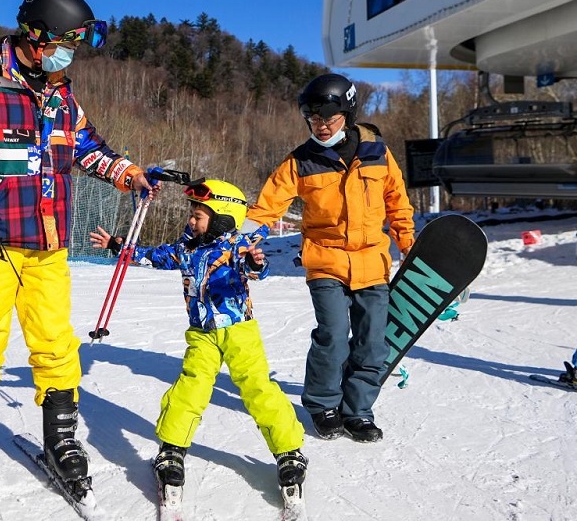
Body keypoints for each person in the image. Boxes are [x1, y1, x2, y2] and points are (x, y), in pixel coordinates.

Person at [0, 0, 154, 492]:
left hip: (48, 241)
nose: (69, 55)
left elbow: (87, 147)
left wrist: (127, 173)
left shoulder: (61, 92)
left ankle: (60, 439)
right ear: (37, 37)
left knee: (57, 342)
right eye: (66, 44)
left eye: (75, 47)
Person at [90, 179, 307, 495]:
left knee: (258, 387)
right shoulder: (185, 248)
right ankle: (172, 448)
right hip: (202, 335)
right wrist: (117, 245)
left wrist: (253, 264)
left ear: (220, 218)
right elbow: (152, 255)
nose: (191, 220)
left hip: (239, 331)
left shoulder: (235, 245)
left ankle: (288, 450)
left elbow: (255, 269)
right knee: (191, 386)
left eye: (198, 215)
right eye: (191, 214)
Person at [243, 73, 415, 443]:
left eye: (328, 119)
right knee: (334, 335)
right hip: (325, 261)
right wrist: (238, 239)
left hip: (372, 263)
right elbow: (266, 206)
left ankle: (359, 411)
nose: (320, 127)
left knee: (372, 342)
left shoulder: (377, 153)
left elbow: (397, 203)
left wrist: (408, 243)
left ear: (347, 114)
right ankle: (323, 404)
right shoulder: (301, 161)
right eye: (313, 120)